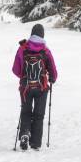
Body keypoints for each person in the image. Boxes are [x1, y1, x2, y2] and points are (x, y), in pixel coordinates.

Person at [13, 22, 58, 151]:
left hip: (26, 87)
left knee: (26, 112)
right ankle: (36, 143)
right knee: (39, 115)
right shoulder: (45, 50)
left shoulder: (23, 48)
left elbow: (16, 70)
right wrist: (52, 78)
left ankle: (25, 133)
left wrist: (24, 77)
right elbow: (53, 71)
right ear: (43, 35)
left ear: (31, 33)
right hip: (41, 87)